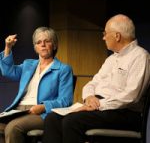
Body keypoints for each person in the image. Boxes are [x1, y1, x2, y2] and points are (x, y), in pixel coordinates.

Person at [42, 14, 150, 143]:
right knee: (52, 118)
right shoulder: (111, 59)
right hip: (100, 108)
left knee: (71, 121)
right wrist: (89, 97)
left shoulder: (140, 57)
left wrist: (98, 105)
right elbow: (92, 83)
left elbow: (131, 96)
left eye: (105, 33)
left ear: (117, 36)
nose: (103, 37)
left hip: (124, 112)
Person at [0, 27, 74, 143]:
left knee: (13, 128)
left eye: (47, 41)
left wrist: (43, 107)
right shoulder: (28, 64)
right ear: (35, 48)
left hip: (41, 113)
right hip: (19, 110)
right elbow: (8, 72)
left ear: (54, 45)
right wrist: (8, 48)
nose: (43, 44)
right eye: (39, 42)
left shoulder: (63, 69)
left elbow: (66, 100)